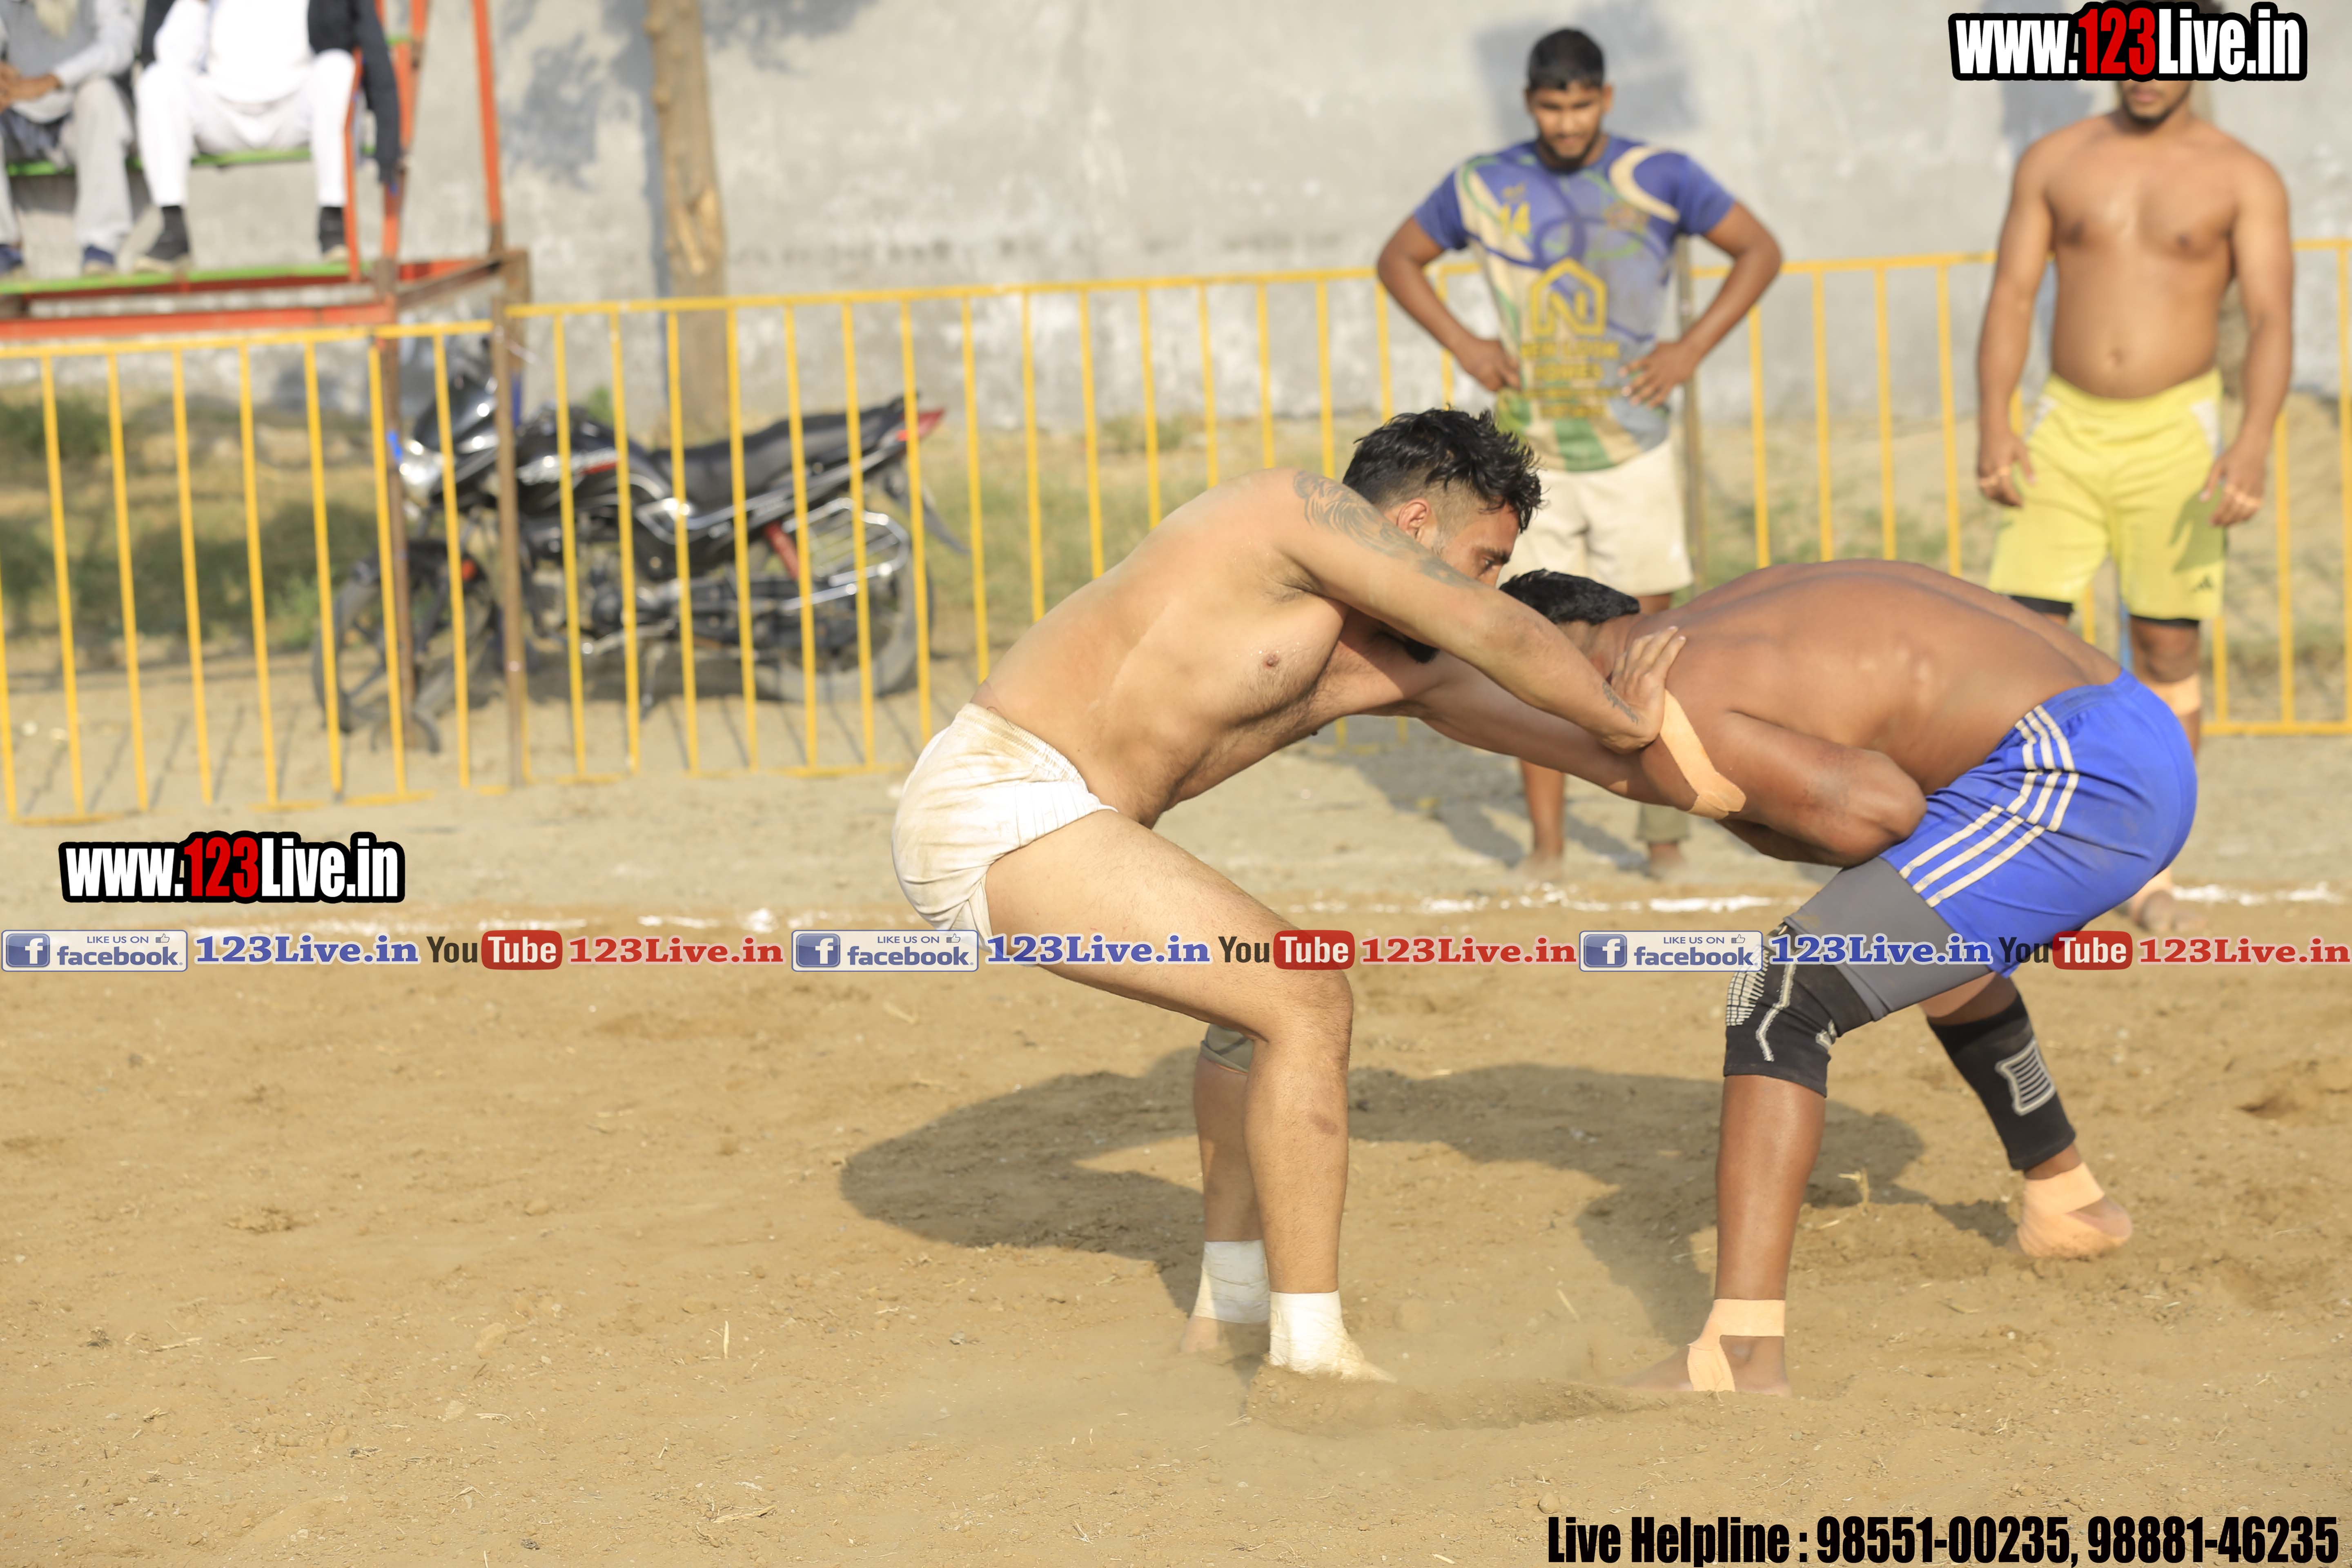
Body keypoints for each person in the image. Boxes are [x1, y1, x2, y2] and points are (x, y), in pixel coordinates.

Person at [890, 410, 1684, 1383]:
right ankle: (1311, 1358)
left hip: (1063, 820)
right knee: (1305, 995)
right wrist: (1620, 716)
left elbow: (1588, 751)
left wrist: (1728, 785)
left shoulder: (1382, 660)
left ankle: (1227, 1313)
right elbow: (1496, 631)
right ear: (1413, 525)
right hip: (998, 794)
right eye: (1484, 558)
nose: (1486, 586)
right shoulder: (1286, 507)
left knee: (1254, 1020)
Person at [1343, 559, 2192, 1393]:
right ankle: (2068, 1199)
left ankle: (1742, 1355)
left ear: (1558, 648)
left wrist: (1698, 785)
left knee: (1782, 996)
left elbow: (1880, 817)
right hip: (2127, 721)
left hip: (2084, 776)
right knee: (1921, 939)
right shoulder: (1722, 615)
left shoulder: (1677, 692)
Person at [1376, 25, 1780, 884]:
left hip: (1634, 450)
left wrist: (1689, 349)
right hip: (1529, 465)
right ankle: (1548, 848)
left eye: (1582, 105)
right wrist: (1467, 343)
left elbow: (1759, 249)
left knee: (1652, 644)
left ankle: (1663, 840)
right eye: (1553, 106)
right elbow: (1399, 259)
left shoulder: (1660, 175)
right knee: (1525, 648)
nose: (1567, 122)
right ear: (1531, 103)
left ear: (1606, 99)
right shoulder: (1483, 183)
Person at [1976, 68, 2290, 934]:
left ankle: (2150, 860)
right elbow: (2012, 295)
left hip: (2177, 434)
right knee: (2022, 642)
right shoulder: (2053, 160)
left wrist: (2253, 439)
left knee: (2166, 644)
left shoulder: (2243, 175)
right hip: (2062, 428)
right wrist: (1995, 422)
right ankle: (2029, 852)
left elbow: (2270, 317)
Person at [129, 0, 400, 273]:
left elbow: (370, 41)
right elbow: (168, 59)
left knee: (338, 68)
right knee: (157, 81)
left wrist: (389, 140)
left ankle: (334, 224)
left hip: (295, 109)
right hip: (220, 115)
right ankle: (172, 230)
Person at [0, 0, 135, 277]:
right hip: (16, 116)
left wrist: (53, 79)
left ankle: (100, 248)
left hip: (76, 118)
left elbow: (119, 46)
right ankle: (6, 249)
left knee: (100, 94)